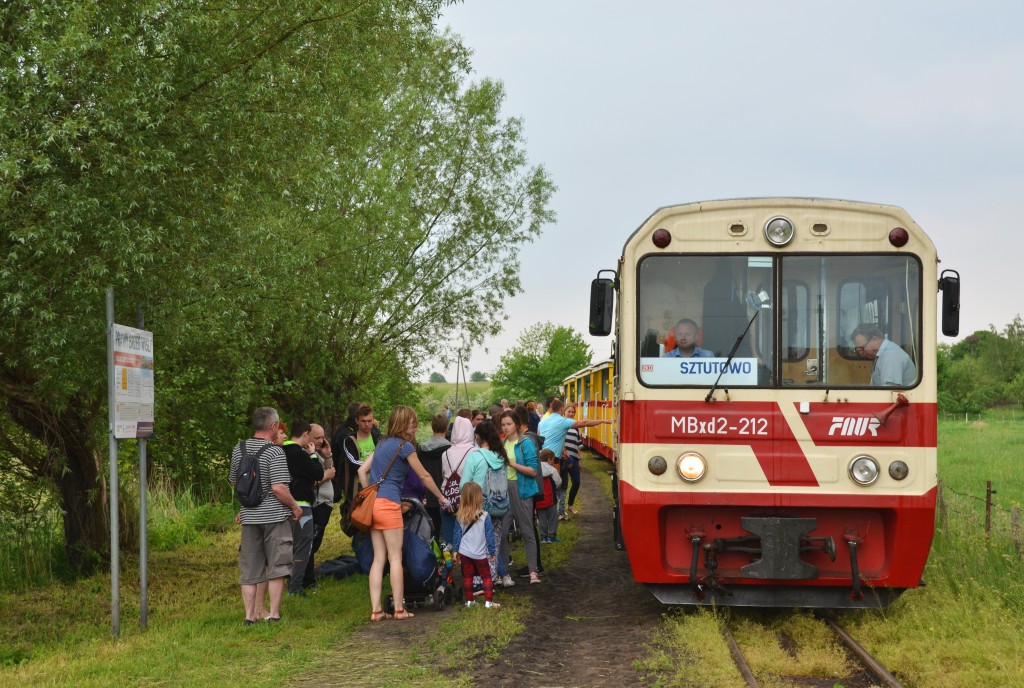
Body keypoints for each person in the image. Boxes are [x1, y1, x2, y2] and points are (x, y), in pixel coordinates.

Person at [357, 405, 452, 621]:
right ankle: (399, 609)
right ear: (403, 423)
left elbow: (362, 470)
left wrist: (369, 492)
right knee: (396, 557)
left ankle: (376, 611)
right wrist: (441, 497)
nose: (415, 426)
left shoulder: (381, 443)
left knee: (379, 559)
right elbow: (425, 477)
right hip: (390, 505)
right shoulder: (405, 447)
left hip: (373, 506)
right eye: (412, 422)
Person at [229, 407, 302, 625]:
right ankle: (274, 614)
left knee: (250, 567)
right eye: (278, 425)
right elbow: (279, 488)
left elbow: (235, 482)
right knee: (277, 566)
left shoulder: (239, 449)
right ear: (272, 426)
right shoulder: (274, 452)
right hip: (274, 518)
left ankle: (249, 616)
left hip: (249, 517)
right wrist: (295, 506)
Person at [460, 421, 516, 586]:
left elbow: (464, 485)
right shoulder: (500, 456)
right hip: (499, 507)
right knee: (494, 545)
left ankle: (478, 581)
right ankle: (490, 579)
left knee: (477, 546)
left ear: (478, 436)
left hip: (478, 508)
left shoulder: (475, 456)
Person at [281, 419, 328, 597]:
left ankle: (286, 583)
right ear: (306, 434)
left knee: (287, 546)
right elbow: (318, 473)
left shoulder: (279, 451)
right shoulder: (298, 453)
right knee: (303, 546)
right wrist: (313, 455)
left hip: (283, 505)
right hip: (301, 504)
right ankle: (296, 587)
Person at [499, 410, 542, 585]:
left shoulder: (526, 443)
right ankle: (504, 573)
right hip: (503, 492)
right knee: (500, 534)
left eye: (508, 424)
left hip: (522, 489)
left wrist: (512, 464)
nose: (506, 427)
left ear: (516, 424)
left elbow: (533, 471)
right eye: (503, 425)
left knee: (527, 531)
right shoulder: (501, 444)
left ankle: (533, 571)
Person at [451, 482, 500, 609]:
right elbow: (489, 536)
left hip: (464, 552)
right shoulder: (485, 516)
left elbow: (456, 534)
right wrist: (492, 552)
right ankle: (488, 602)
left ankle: (469, 601)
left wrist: (455, 551)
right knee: (486, 576)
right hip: (480, 553)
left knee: (468, 576)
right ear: (478, 498)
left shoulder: (460, 516)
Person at [304, 423, 335, 590]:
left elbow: (331, 469)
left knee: (316, 542)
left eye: (322, 437)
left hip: (325, 503)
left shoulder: (318, 453)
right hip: (316, 503)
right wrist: (326, 475)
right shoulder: (305, 454)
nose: (320, 440)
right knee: (311, 542)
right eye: (317, 438)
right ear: (307, 436)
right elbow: (308, 481)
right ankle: (306, 578)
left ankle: (307, 575)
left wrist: (327, 454)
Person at [414, 413, 451, 536]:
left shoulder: (421, 449)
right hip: (444, 494)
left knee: (430, 529)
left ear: (432, 427)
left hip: (427, 493)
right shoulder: (450, 449)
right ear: (446, 428)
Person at [441, 415, 475, 545]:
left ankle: (449, 558)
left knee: (449, 535)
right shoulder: (474, 452)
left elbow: (444, 474)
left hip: (448, 497)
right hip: (467, 497)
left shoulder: (446, 453)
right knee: (468, 537)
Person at [852, 323, 917, 386]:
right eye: (858, 350)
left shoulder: (890, 355)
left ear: (875, 339)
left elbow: (889, 390)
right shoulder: (882, 353)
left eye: (862, 348)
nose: (861, 353)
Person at [560, 404, 583, 518]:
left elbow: (578, 444)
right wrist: (565, 454)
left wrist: (579, 459)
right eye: (569, 411)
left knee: (576, 482)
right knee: (562, 485)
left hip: (573, 458)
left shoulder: (575, 426)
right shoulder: (561, 424)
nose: (571, 414)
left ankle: (570, 505)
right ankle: (560, 510)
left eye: (573, 412)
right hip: (563, 458)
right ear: (564, 412)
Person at [536, 448, 563, 542]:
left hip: (539, 499)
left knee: (541, 519)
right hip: (551, 498)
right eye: (552, 459)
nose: (553, 462)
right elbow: (558, 482)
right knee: (552, 518)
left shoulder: (536, 468)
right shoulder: (552, 470)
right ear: (548, 459)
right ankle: (551, 536)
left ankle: (543, 536)